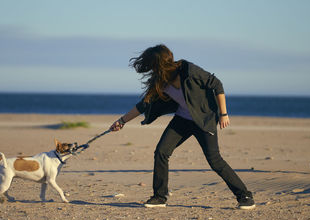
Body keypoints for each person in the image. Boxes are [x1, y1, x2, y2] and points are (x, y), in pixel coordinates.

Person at [109, 44, 255, 210]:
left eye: (151, 64)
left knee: (215, 160)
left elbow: (217, 84)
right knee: (161, 152)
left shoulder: (188, 70)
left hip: (203, 120)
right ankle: (159, 197)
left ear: (159, 63)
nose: (149, 68)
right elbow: (144, 105)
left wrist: (223, 113)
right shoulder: (160, 80)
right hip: (183, 119)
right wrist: (122, 121)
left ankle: (244, 195)